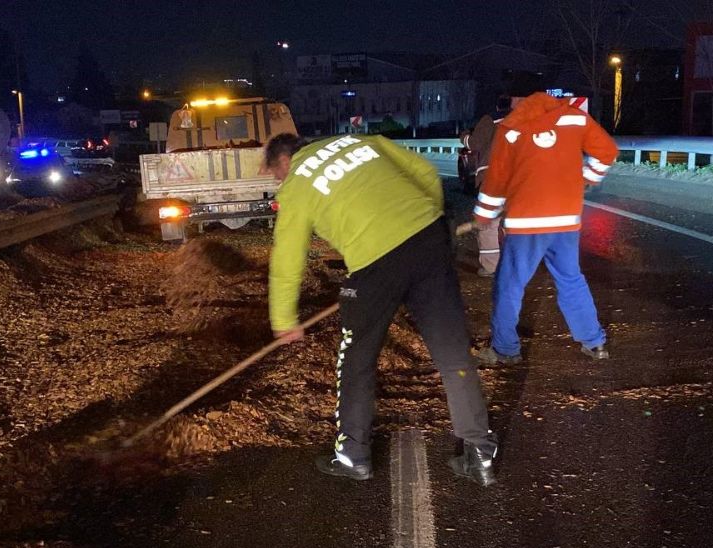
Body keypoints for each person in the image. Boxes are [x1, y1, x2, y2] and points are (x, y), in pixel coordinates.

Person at [265, 132, 498, 486]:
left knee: (356, 362)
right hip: (428, 243)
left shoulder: (297, 183)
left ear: (284, 161)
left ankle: (353, 455)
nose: (278, 179)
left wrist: (284, 319)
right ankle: (479, 453)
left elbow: (287, 256)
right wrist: (433, 221)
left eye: (274, 173)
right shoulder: (361, 140)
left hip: (374, 267)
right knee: (453, 354)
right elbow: (423, 172)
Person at [474, 92, 618, 364]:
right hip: (566, 220)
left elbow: (497, 178)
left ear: (517, 101)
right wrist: (587, 177)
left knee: (509, 285)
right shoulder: (575, 118)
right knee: (571, 279)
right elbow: (607, 151)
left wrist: (484, 215)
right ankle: (594, 343)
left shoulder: (510, 127)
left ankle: (505, 350)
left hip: (525, 222)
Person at [459, 95, 516, 277]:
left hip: (492, 176)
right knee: (513, 223)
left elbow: (475, 143)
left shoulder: (490, 119)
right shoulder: (525, 119)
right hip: (519, 177)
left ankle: (491, 267)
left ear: (497, 106)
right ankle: (516, 265)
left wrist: (465, 136)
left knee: (489, 224)